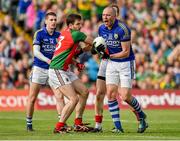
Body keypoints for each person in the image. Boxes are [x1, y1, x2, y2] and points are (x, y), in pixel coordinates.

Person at [92, 6, 148, 133]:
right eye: (104, 15)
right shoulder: (101, 29)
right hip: (111, 63)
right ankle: (118, 127)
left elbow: (126, 52)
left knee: (125, 96)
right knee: (110, 94)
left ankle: (141, 115)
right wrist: (99, 50)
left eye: (108, 15)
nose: (105, 17)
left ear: (115, 16)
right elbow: (103, 45)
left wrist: (109, 55)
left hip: (125, 63)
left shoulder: (123, 29)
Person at [48, 13, 94, 133]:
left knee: (84, 92)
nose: (80, 26)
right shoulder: (76, 34)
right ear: (70, 25)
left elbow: (66, 54)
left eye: (81, 24)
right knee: (73, 99)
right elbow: (94, 42)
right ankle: (59, 127)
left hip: (64, 69)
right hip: (57, 70)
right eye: (78, 24)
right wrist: (104, 47)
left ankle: (78, 124)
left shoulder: (65, 33)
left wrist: (76, 62)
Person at [26, 12, 63, 131]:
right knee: (32, 98)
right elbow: (36, 52)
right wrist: (48, 60)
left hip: (53, 69)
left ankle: (61, 124)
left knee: (59, 96)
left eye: (55, 20)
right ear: (46, 21)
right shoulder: (39, 33)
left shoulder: (59, 35)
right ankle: (29, 124)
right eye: (51, 20)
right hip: (39, 68)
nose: (53, 22)